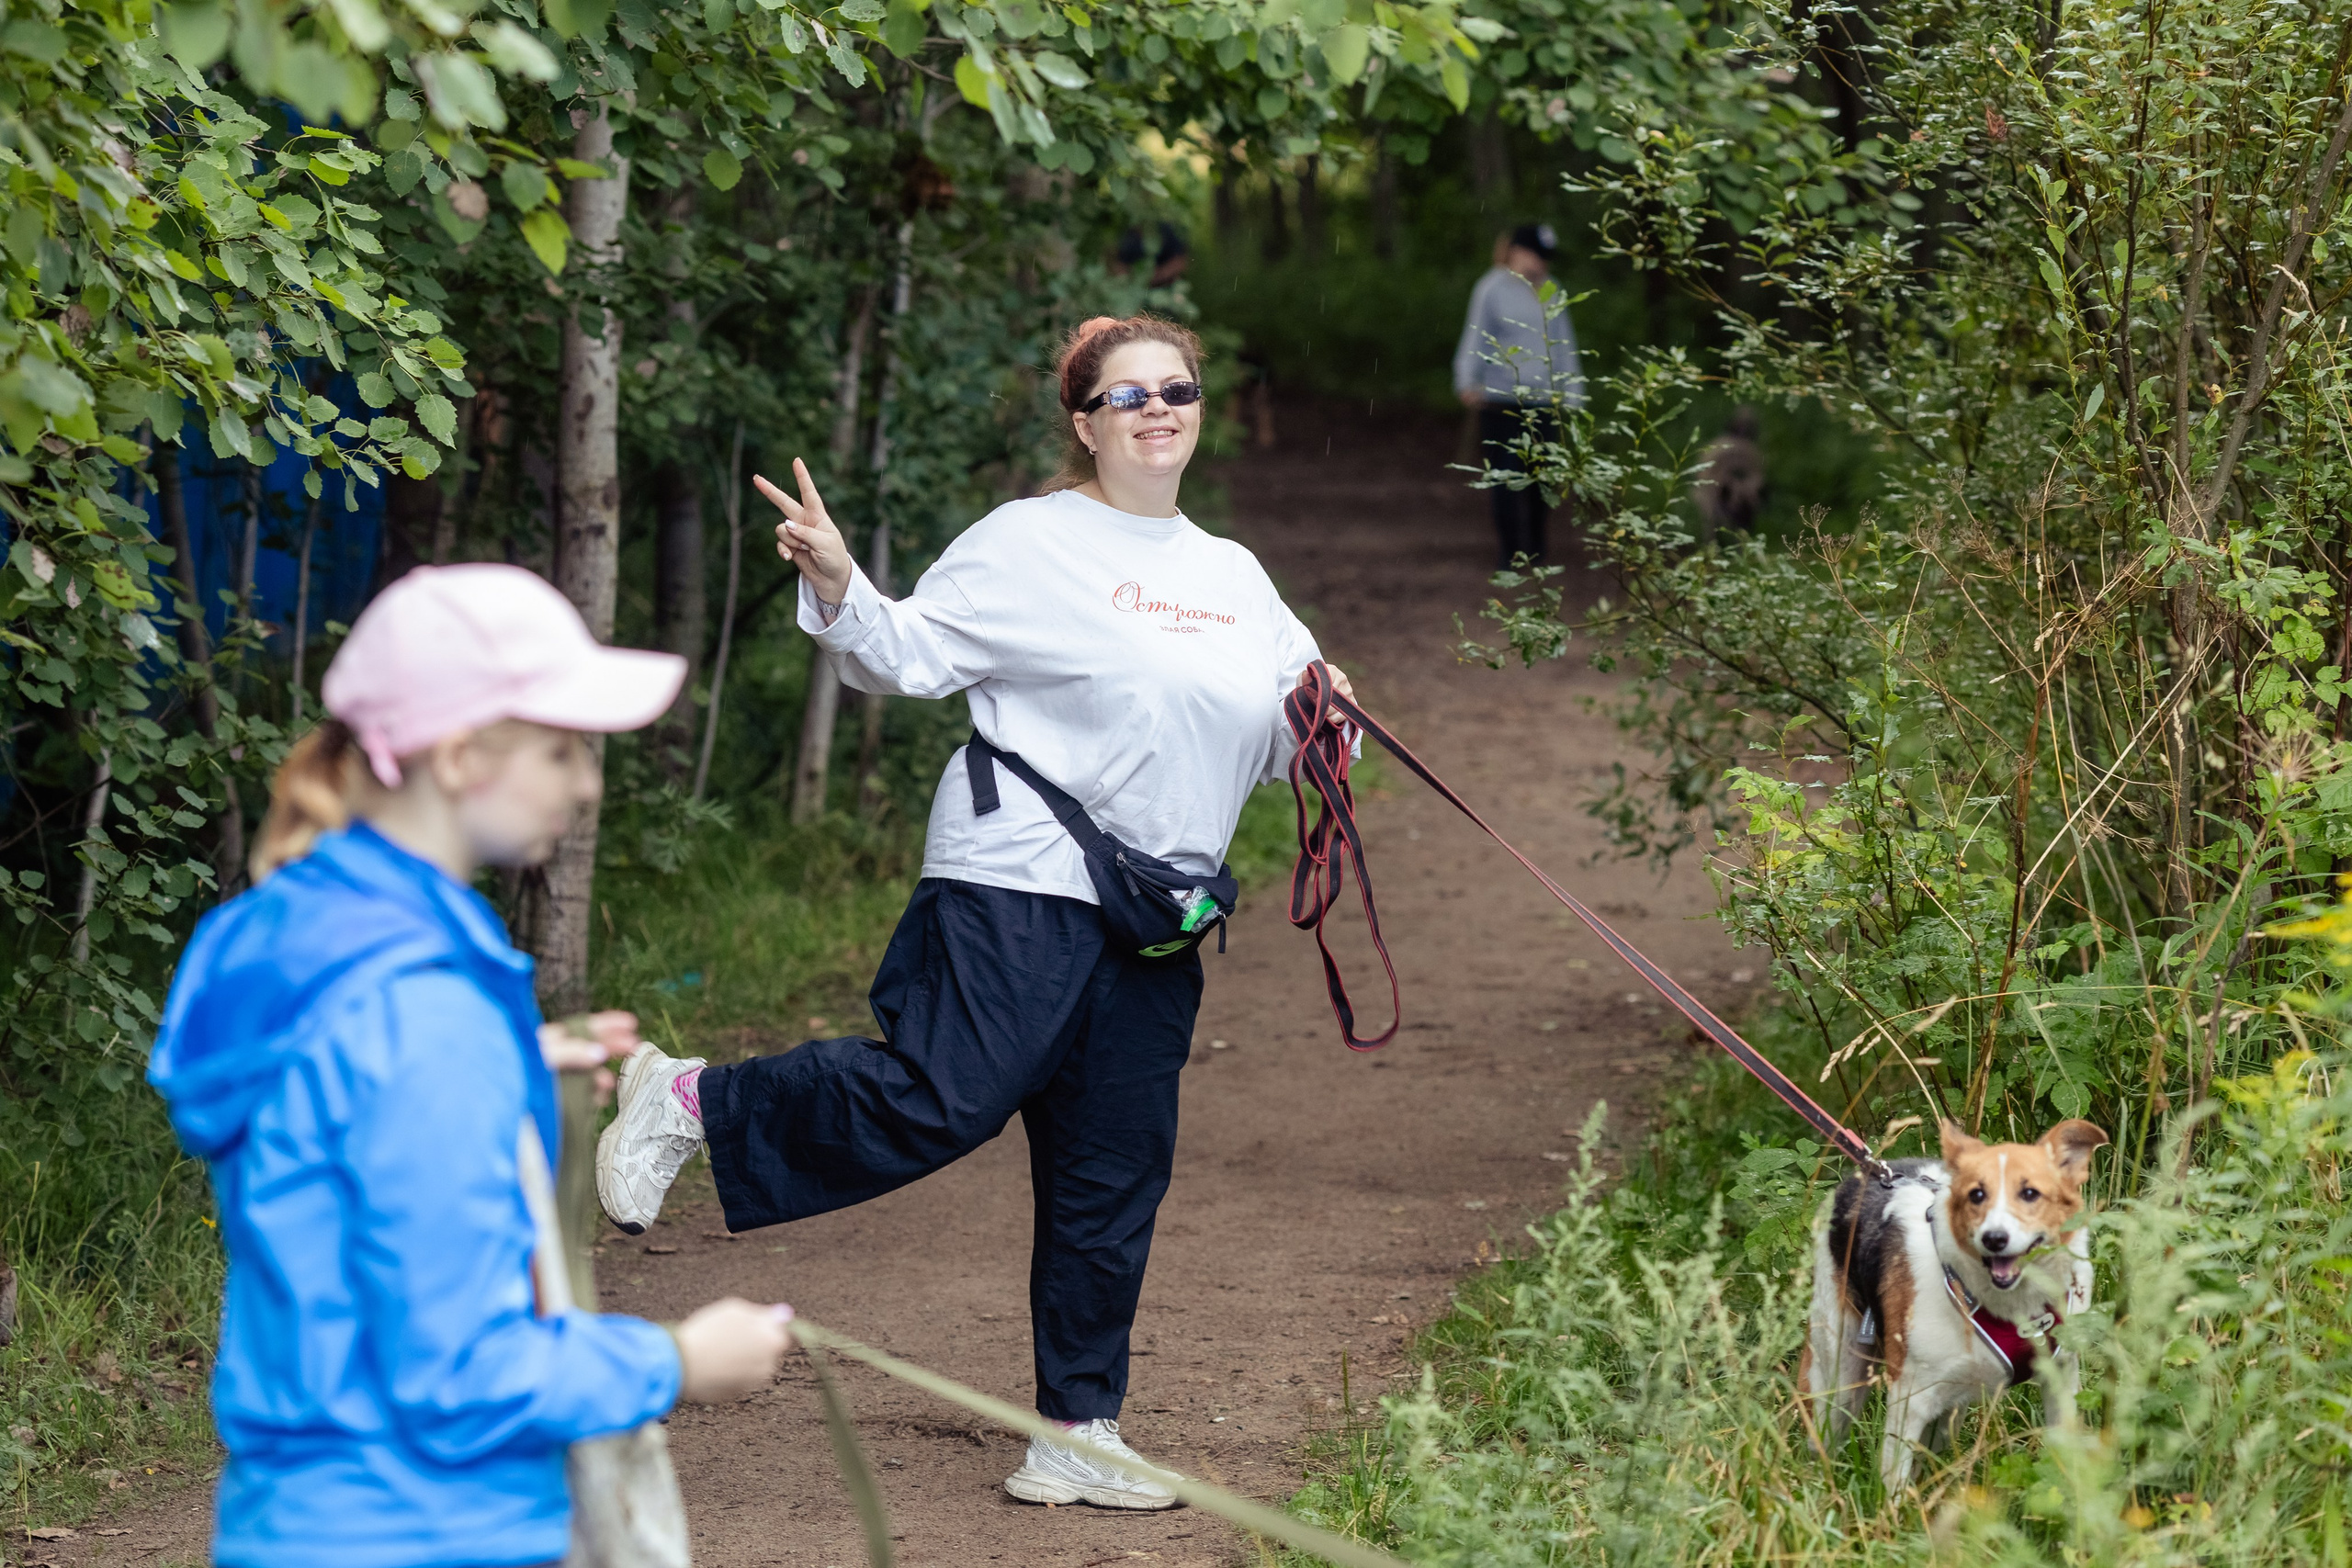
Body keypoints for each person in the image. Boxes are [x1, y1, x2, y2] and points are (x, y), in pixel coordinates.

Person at [595, 313, 1354, 1513]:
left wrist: (1327, 722)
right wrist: (840, 582)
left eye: (1177, 390)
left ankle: (1078, 1430)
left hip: (1156, 908)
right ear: (1084, 424)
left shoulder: (1234, 578)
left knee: (1114, 1165)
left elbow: (1280, 744)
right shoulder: (1029, 541)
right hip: (1020, 871)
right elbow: (903, 653)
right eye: (1128, 396)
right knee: (944, 1094)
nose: (1158, 410)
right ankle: (690, 1098)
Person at [149, 564, 794, 1568]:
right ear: (456, 757)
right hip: (431, 1530)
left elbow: (343, 1109)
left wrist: (508, 1062)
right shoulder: (423, 1013)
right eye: (560, 750)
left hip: (296, 1523)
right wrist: (676, 1361)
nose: (587, 784)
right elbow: (457, 1370)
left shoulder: (307, 944)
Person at [1453, 220, 1586, 570]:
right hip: (1500, 401)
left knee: (1540, 478)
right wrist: (1467, 380)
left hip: (1543, 401)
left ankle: (1537, 547)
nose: (1541, 262)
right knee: (1505, 477)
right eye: (1536, 254)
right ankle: (1510, 551)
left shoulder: (1552, 290)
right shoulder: (1491, 288)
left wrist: (1573, 390)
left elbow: (1564, 344)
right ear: (1515, 251)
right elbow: (1475, 335)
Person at [1690, 405, 1767, 544]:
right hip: (1715, 492)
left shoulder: (1749, 451)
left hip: (1736, 496)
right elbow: (1704, 474)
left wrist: (1742, 489)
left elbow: (1757, 478)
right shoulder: (1721, 447)